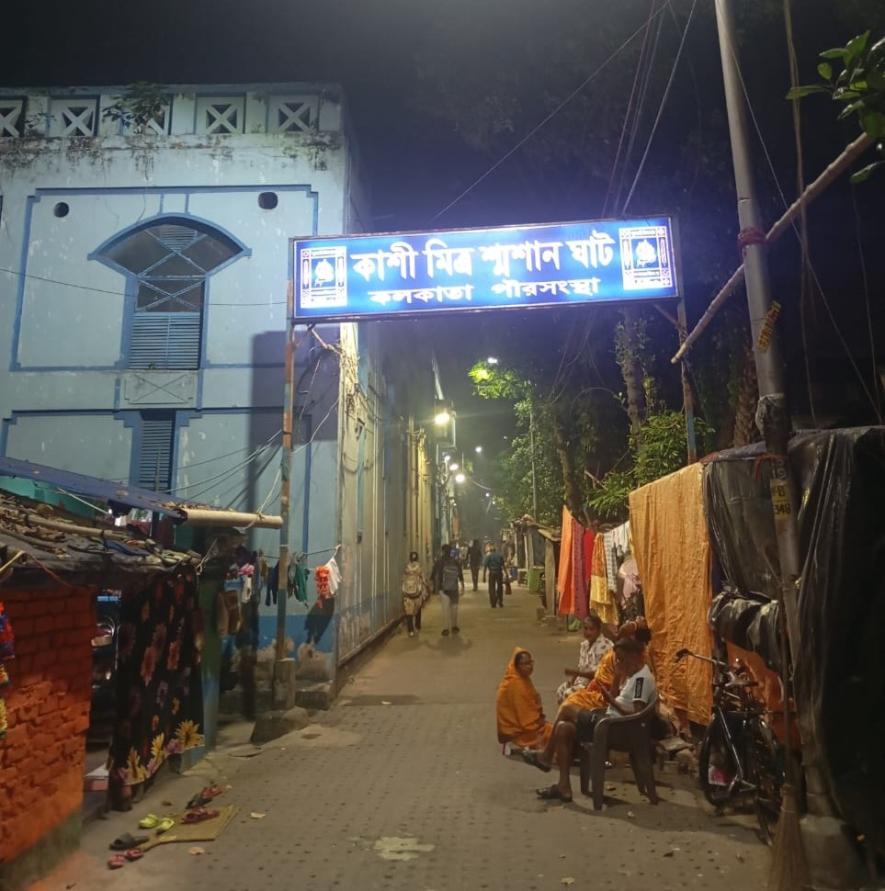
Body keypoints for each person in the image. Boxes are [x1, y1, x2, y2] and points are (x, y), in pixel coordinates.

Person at [524, 635, 656, 803]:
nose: (620, 664)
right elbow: (616, 697)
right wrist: (616, 677)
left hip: (615, 728)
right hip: (610, 722)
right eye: (618, 660)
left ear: (635, 656)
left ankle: (546, 757)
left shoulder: (641, 680)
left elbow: (635, 715)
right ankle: (564, 786)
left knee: (566, 708)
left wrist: (612, 703)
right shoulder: (633, 674)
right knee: (563, 728)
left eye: (622, 660)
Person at [496, 648, 553, 750]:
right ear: (517, 666)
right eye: (525, 664)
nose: (529, 666)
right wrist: (539, 721)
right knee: (555, 736)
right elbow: (526, 721)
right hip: (518, 732)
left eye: (530, 662)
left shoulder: (522, 678)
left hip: (524, 725)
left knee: (554, 730)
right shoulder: (516, 684)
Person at [555, 611, 613, 703]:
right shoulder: (585, 645)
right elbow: (581, 666)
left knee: (568, 694)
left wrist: (577, 673)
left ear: (598, 630)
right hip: (582, 681)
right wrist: (572, 680)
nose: (588, 632)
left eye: (591, 629)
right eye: (586, 628)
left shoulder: (605, 646)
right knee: (560, 690)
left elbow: (598, 674)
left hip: (597, 684)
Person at [438, 546, 464, 636]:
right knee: (454, 608)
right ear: (450, 552)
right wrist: (462, 586)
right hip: (454, 588)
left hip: (443, 588)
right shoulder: (455, 562)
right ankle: (454, 626)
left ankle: (446, 628)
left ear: (442, 552)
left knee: (445, 609)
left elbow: (435, 574)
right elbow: (460, 575)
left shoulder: (440, 562)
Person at [401, 551, 427, 637]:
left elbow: (403, 579)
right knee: (418, 608)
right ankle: (417, 625)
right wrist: (425, 588)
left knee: (409, 611)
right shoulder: (419, 567)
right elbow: (423, 578)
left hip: (407, 592)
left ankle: (410, 630)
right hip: (417, 591)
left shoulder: (406, 567)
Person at [483, 544, 506, 608]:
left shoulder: (488, 556)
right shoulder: (499, 555)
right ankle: (500, 601)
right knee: (500, 588)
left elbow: (485, 567)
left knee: (491, 588)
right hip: (499, 573)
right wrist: (506, 573)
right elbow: (503, 565)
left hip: (492, 573)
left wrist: (484, 576)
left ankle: (493, 602)